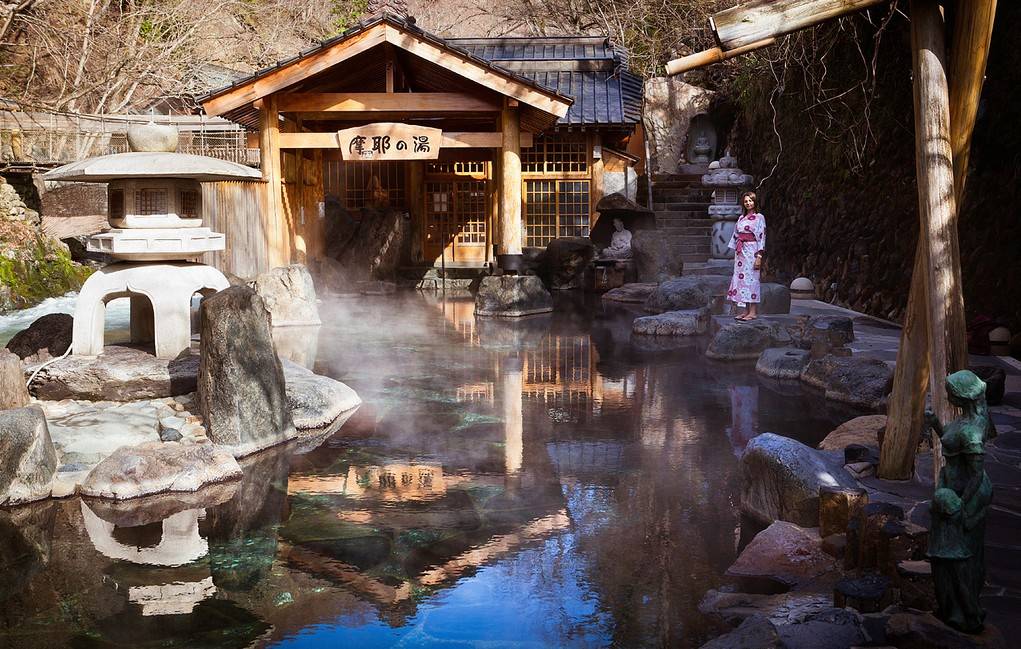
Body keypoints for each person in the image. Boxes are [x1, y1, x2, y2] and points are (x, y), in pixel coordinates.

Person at [925, 370, 994, 634]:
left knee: (957, 558)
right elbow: (953, 448)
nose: (947, 395)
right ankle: (951, 608)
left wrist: (961, 507)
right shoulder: (965, 420)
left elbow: (975, 475)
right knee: (946, 555)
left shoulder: (973, 431)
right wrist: (936, 425)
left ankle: (966, 612)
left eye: (950, 391)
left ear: (962, 395)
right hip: (950, 491)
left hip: (963, 495)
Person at [727, 191, 766, 321]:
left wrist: (759, 256)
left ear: (755, 202)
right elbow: (736, 235)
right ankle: (745, 310)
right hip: (741, 253)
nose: (748, 203)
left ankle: (753, 311)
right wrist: (736, 252)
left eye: (750, 200)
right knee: (741, 280)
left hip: (752, 250)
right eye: (746, 201)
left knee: (752, 279)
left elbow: (761, 237)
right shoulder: (740, 218)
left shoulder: (759, 217)